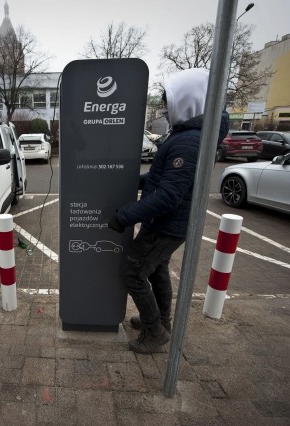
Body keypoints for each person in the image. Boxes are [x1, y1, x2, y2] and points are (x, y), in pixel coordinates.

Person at [107, 68, 229, 354]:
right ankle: (161, 320)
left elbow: (169, 196)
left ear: (187, 101)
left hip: (165, 225)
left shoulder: (188, 141)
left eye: (168, 102)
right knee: (157, 270)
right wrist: (133, 183)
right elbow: (166, 181)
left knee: (132, 273)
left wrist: (124, 216)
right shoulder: (192, 136)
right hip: (168, 224)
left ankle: (154, 332)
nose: (165, 108)